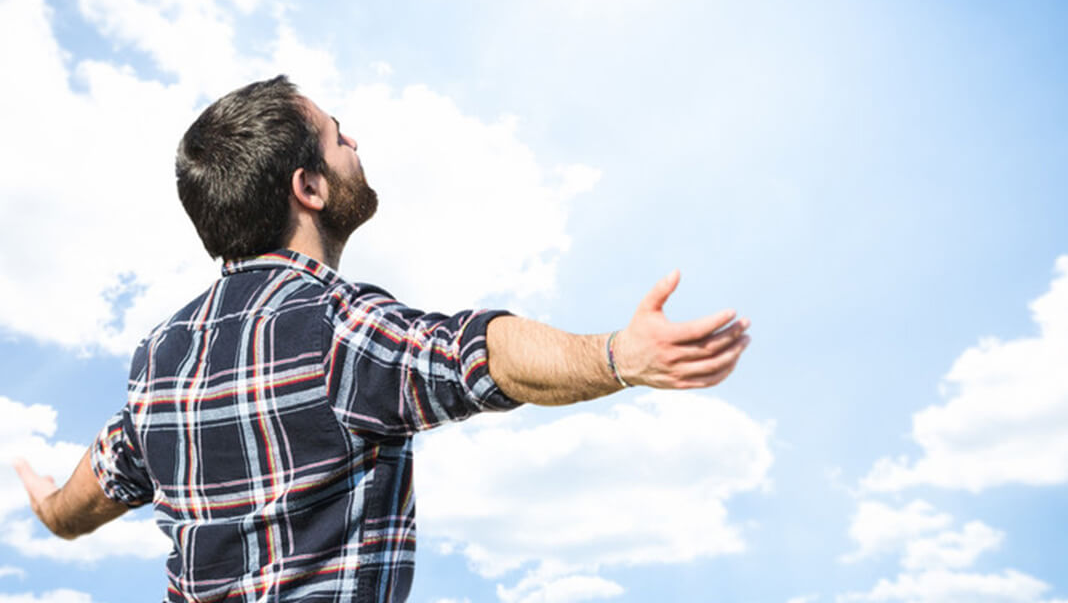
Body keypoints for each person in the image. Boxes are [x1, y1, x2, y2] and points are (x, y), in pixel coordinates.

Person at [14, 75, 751, 602]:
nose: (355, 142)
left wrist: (48, 508)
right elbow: (477, 354)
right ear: (308, 188)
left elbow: (94, 489)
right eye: (339, 137)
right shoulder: (333, 329)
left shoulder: (158, 364)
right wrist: (616, 356)